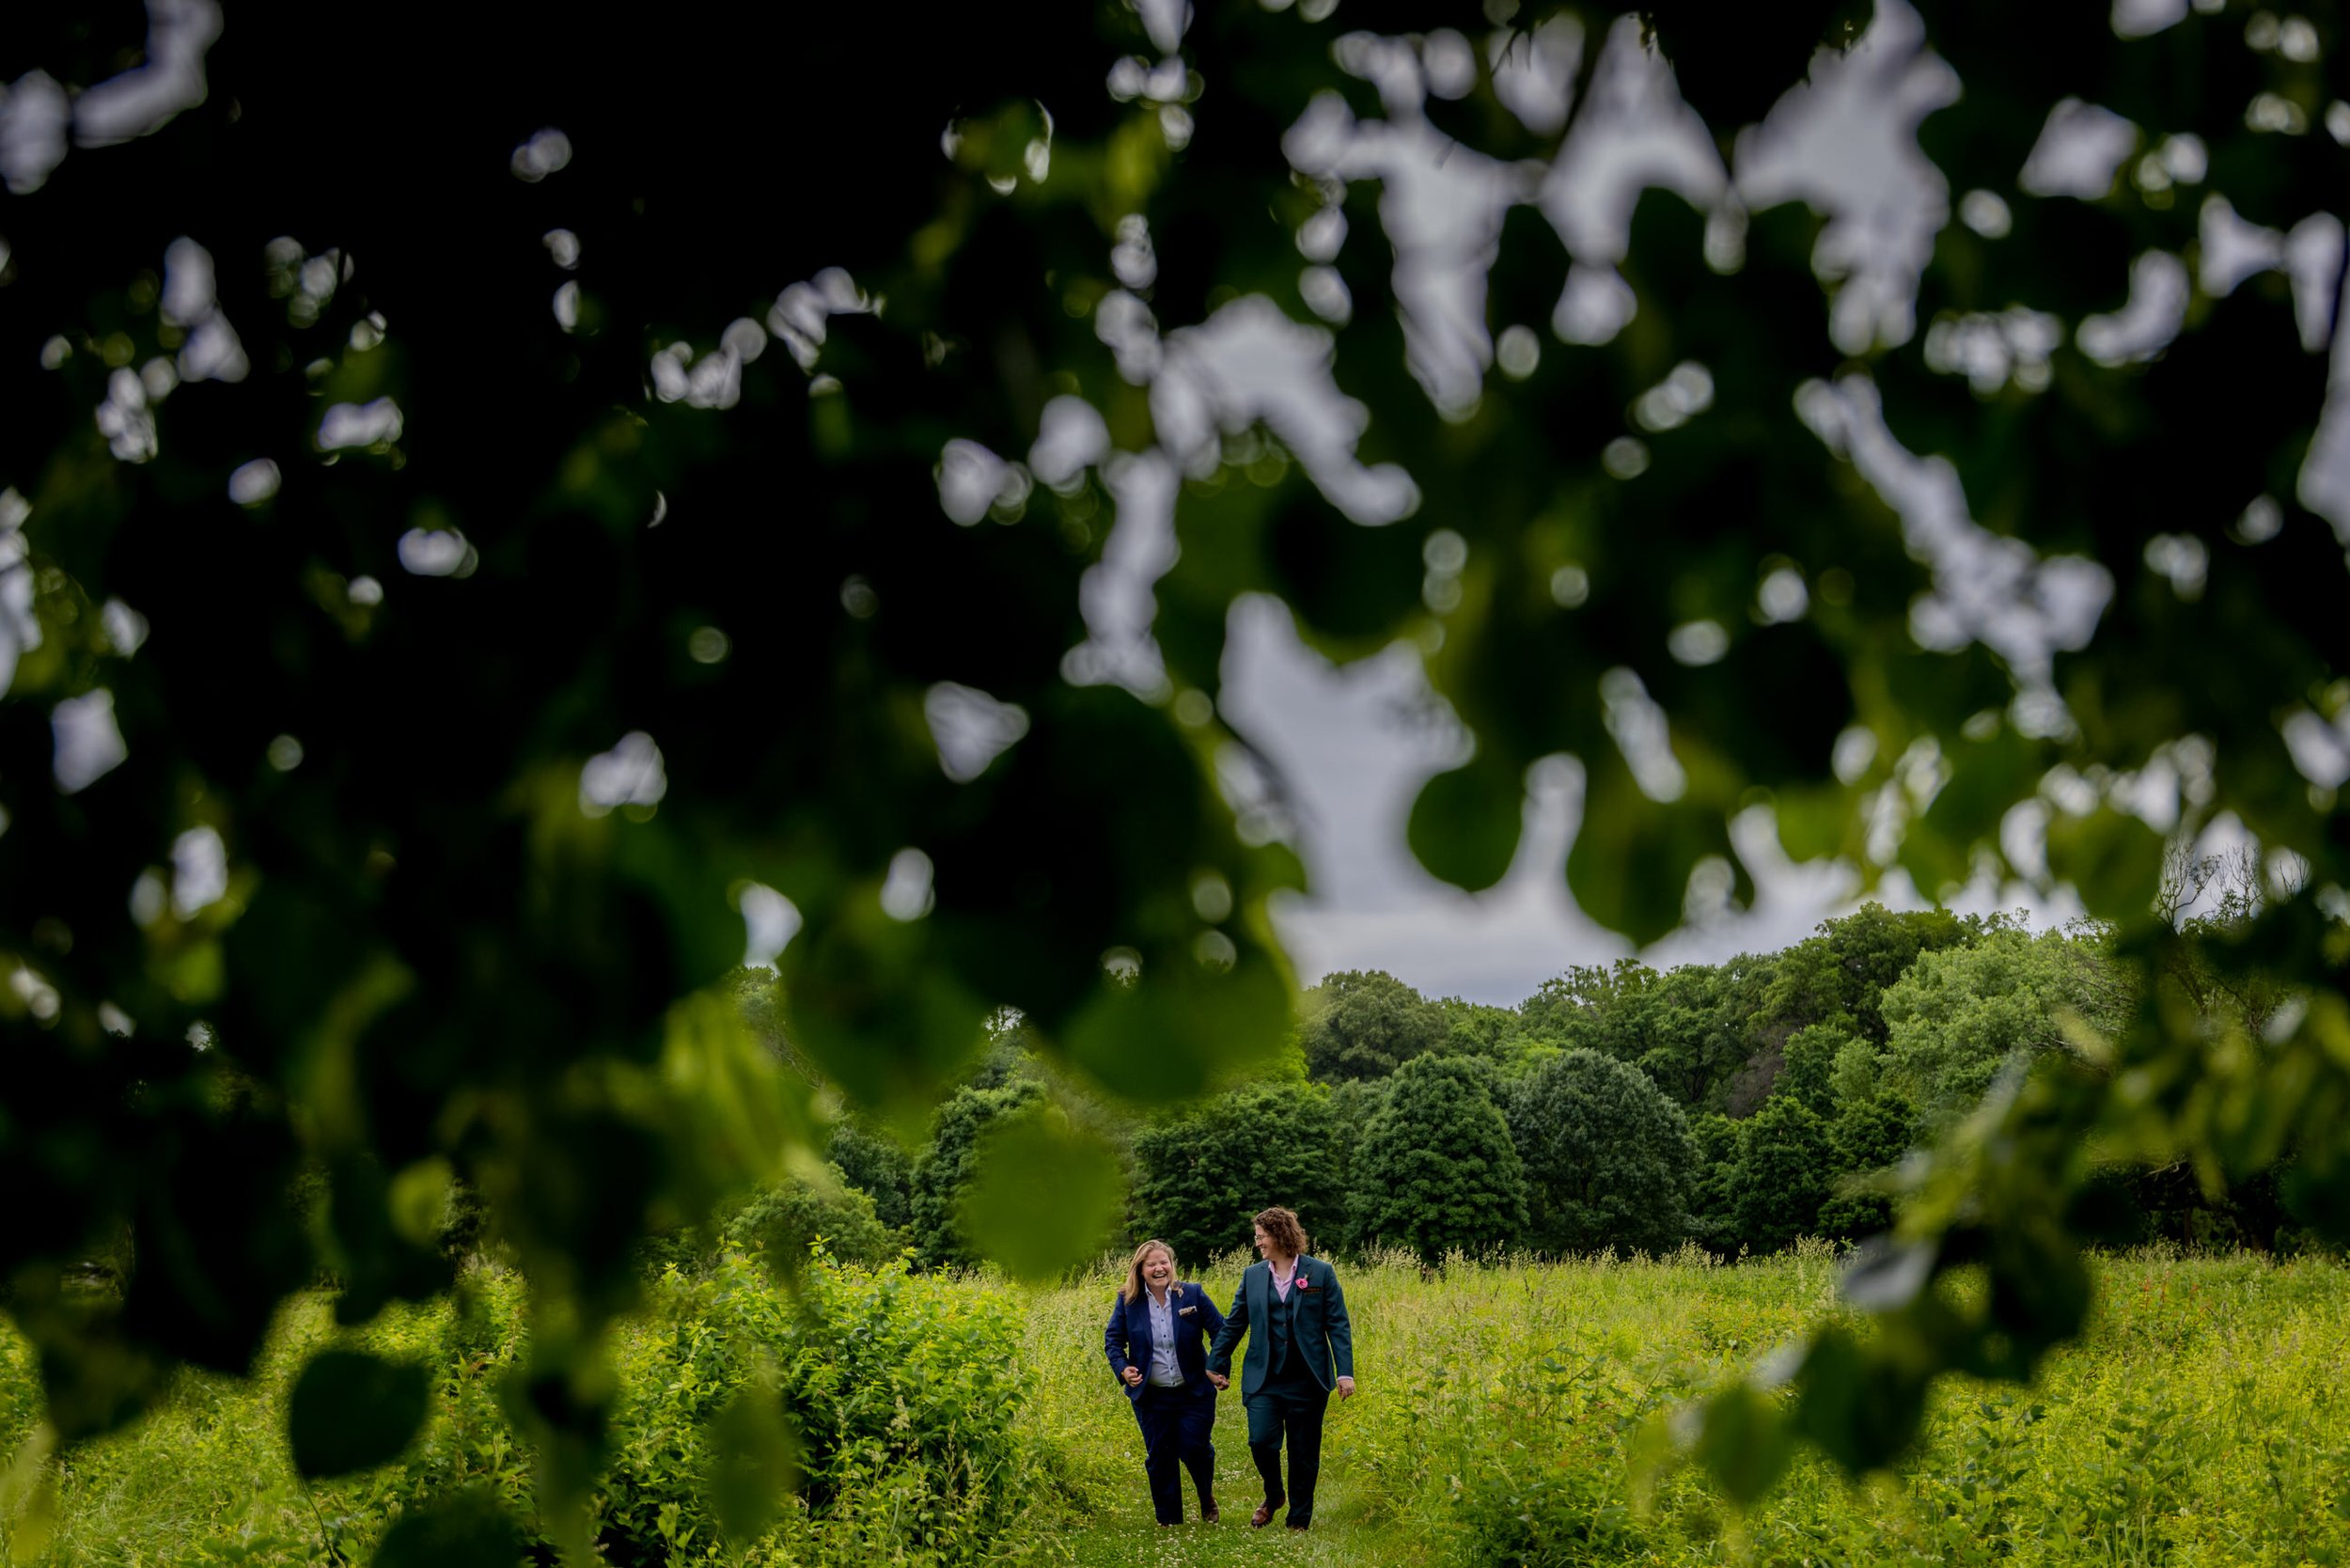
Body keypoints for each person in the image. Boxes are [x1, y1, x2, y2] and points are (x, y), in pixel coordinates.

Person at [1205, 1205, 1355, 1531]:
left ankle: (1298, 1520)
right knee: (1261, 1441)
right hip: (1265, 1378)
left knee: (1303, 1453)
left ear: (1279, 1236)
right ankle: (1274, 1494)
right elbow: (1234, 1324)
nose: (1258, 1243)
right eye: (1257, 1237)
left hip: (1308, 1378)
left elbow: (1338, 1325)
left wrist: (1345, 1372)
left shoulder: (1321, 1273)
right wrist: (1216, 1362)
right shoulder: (1253, 1276)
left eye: (1261, 1237)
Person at [1103, 1238, 1227, 1528]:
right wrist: (1124, 1370)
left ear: (1172, 1265)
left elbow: (1220, 1329)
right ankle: (1169, 1520)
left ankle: (1205, 1495)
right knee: (1160, 1454)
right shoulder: (1128, 1300)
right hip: (1151, 1394)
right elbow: (1113, 1341)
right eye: (1152, 1264)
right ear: (1140, 1270)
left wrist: (1216, 1366)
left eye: (1164, 1262)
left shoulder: (1192, 1294)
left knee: (1194, 1447)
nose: (1159, 1268)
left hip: (1194, 1390)